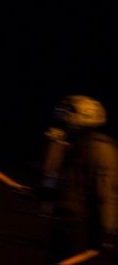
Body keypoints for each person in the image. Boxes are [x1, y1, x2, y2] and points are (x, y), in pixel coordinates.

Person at [41, 95, 115, 263]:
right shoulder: (72, 146)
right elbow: (67, 185)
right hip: (64, 225)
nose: (63, 124)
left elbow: (105, 194)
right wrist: (43, 193)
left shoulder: (100, 149)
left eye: (66, 119)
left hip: (82, 229)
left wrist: (107, 232)